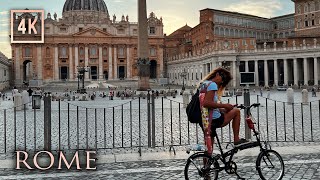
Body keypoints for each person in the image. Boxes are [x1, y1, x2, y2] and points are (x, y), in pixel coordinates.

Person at [198, 67, 249, 154]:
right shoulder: (212, 84)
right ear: (217, 74)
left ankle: (206, 166)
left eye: (224, 81)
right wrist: (224, 105)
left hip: (205, 119)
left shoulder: (204, 83)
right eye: (223, 79)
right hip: (214, 119)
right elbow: (206, 103)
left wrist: (222, 109)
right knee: (236, 112)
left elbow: (206, 104)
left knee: (209, 147)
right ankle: (236, 139)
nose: (222, 82)